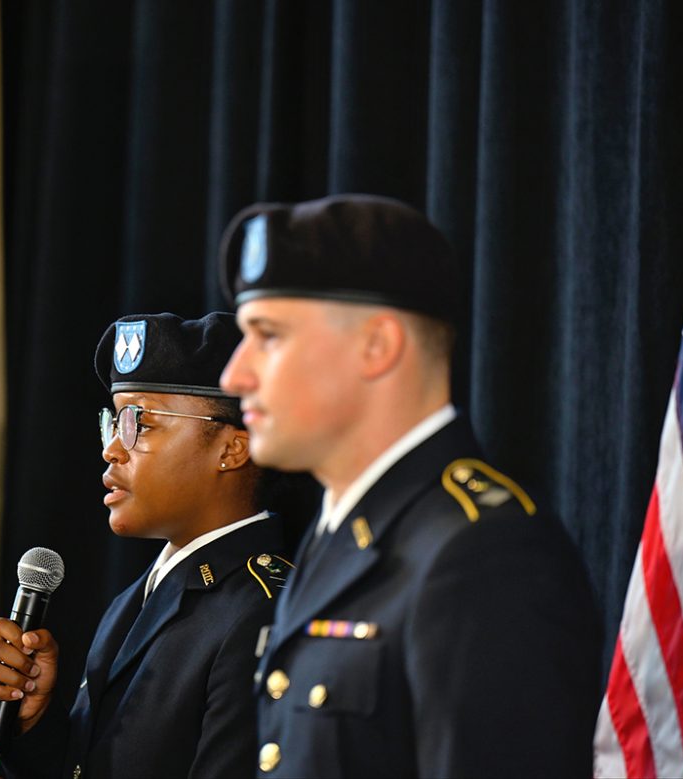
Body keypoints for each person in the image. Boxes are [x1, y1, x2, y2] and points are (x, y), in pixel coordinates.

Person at [216, 193, 604, 777]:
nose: (234, 374)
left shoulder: (484, 556)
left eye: (268, 336)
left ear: (377, 346)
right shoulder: (340, 531)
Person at [0, 311, 297, 778]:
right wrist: (33, 722)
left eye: (139, 423)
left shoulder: (261, 611)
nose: (111, 449)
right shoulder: (140, 597)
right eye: (114, 421)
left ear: (231, 449)